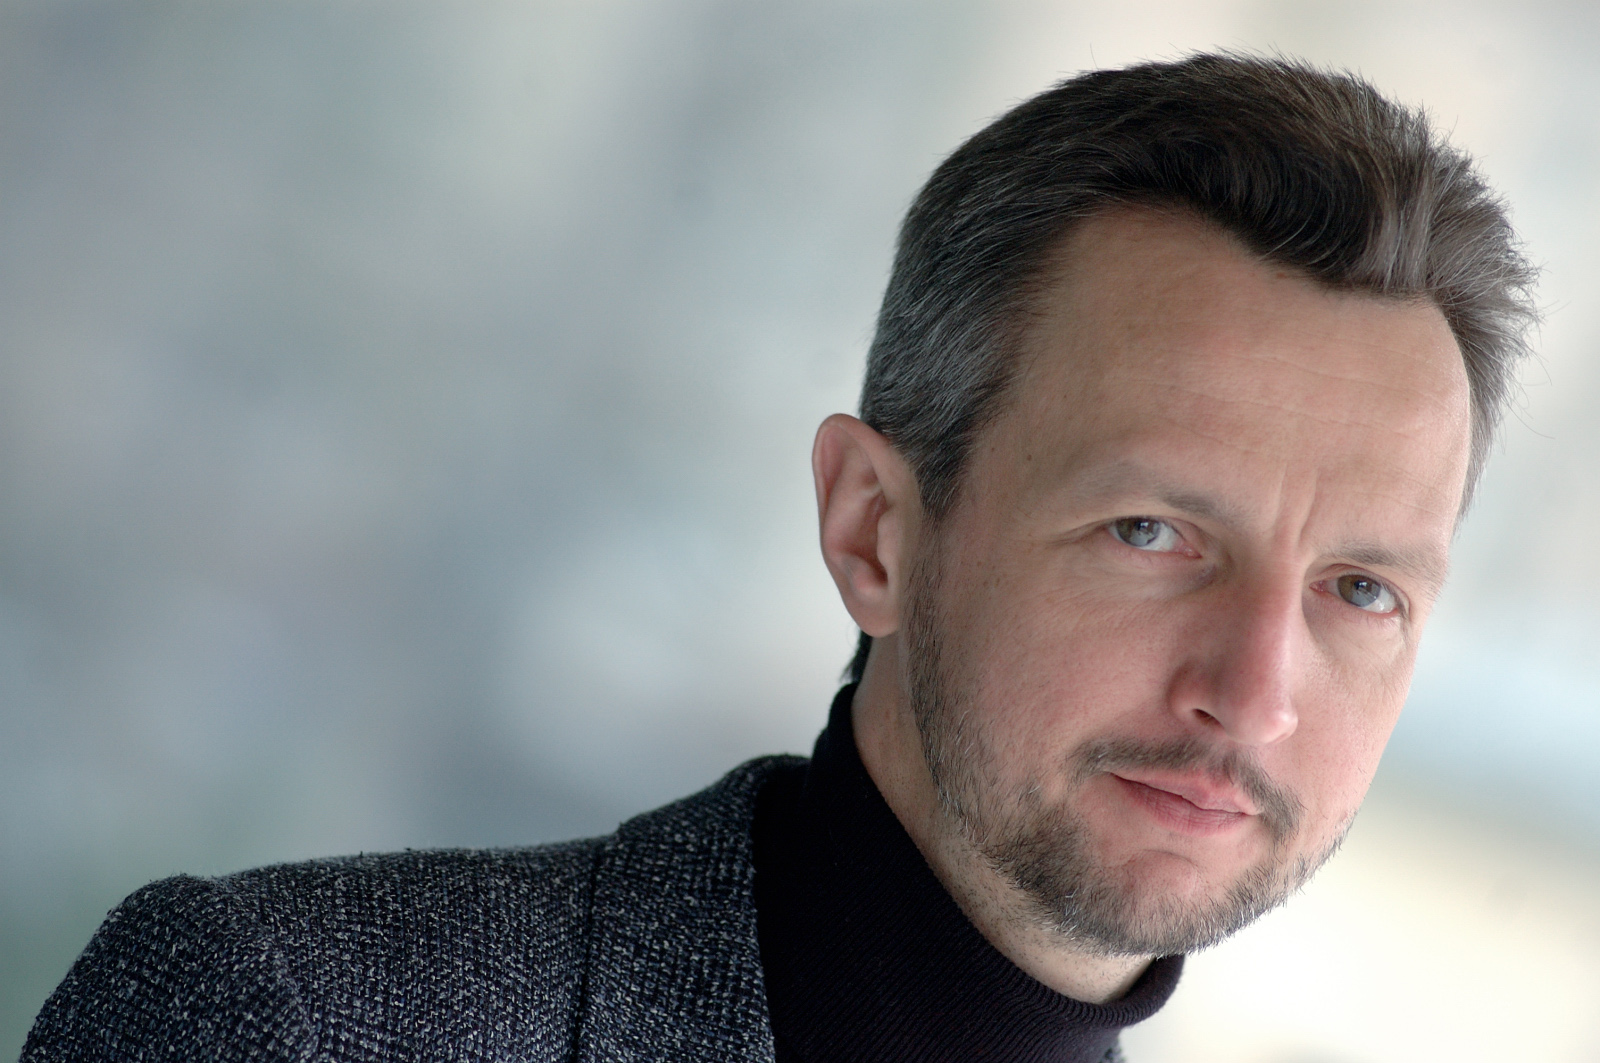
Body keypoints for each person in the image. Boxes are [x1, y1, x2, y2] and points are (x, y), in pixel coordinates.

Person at [24, 52, 1536, 1063]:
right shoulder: (290, 1017)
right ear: (874, 530)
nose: (1253, 692)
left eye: (1362, 590)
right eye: (1152, 533)